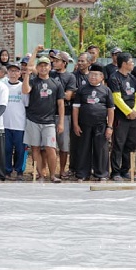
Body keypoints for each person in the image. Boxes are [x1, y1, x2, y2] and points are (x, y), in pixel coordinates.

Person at [23, 56, 65, 182]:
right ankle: (40, 174)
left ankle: (52, 175)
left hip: (49, 122)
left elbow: (61, 104)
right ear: (37, 67)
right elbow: (25, 90)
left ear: (50, 67)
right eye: (40, 65)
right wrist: (27, 75)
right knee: (35, 148)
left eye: (46, 65)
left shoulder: (56, 84)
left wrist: (61, 122)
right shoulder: (33, 81)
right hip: (33, 119)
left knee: (50, 148)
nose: (43, 67)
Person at [72, 64, 115, 182]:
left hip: (100, 125)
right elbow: (76, 108)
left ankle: (101, 174)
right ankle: (82, 174)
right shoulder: (82, 89)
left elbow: (110, 110)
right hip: (84, 124)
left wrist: (110, 127)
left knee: (101, 150)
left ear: (101, 77)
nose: (93, 77)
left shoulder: (106, 90)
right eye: (91, 74)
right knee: (83, 149)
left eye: (96, 75)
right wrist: (75, 124)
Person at [108, 52, 136, 181]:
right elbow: (116, 98)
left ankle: (125, 170)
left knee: (130, 143)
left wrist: (135, 111)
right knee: (118, 144)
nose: (133, 64)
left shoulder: (132, 78)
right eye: (131, 62)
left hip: (134, 116)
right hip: (121, 117)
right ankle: (115, 172)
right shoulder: (114, 78)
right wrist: (128, 112)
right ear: (125, 63)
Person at [49, 50, 77, 179]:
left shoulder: (70, 77)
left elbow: (68, 95)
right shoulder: (50, 73)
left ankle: (62, 170)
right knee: (48, 144)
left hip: (64, 114)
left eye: (57, 60)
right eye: (54, 60)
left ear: (64, 63)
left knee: (64, 144)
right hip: (48, 113)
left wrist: (53, 94)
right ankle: (49, 171)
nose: (54, 62)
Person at [3, 61, 29, 180]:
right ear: (7, 72)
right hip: (5, 124)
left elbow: (27, 103)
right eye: (11, 71)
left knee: (20, 150)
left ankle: (19, 171)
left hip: (19, 124)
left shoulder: (23, 86)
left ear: (20, 73)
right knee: (7, 149)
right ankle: (7, 170)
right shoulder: (2, 85)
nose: (13, 73)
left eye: (16, 71)